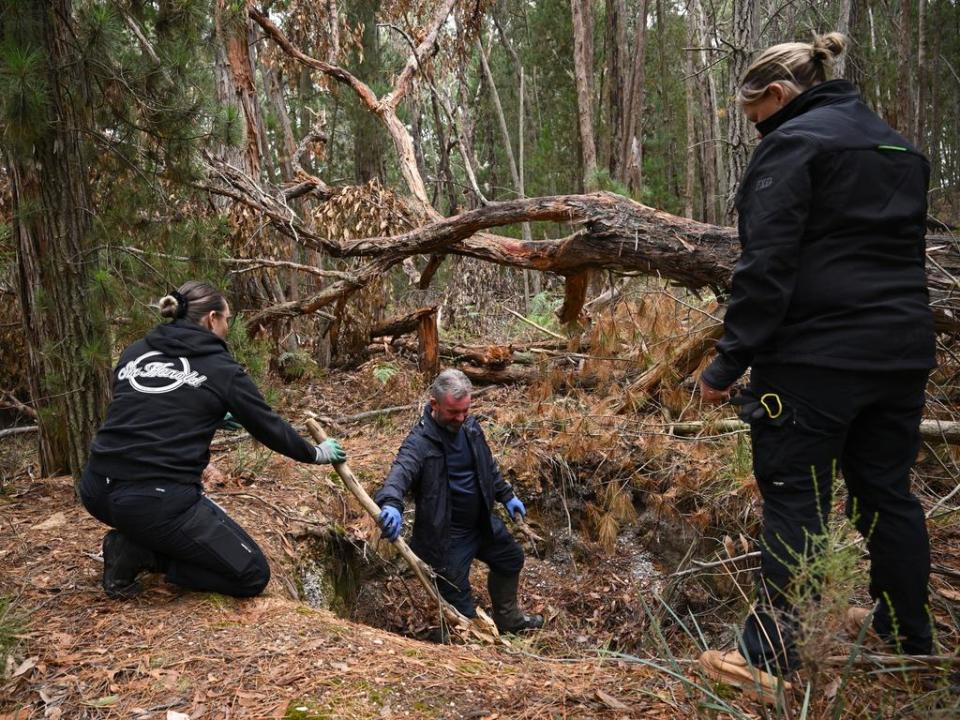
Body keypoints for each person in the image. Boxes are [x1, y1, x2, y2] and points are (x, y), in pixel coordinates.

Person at [697, 32, 935, 698]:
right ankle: (907, 636)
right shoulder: (900, 149)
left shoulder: (793, 146)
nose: (756, 128)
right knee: (887, 494)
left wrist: (727, 362)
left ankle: (768, 659)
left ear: (776, 94)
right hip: (902, 355)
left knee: (795, 498)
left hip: (813, 362)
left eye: (755, 114)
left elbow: (765, 267)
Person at [80, 281, 347, 599]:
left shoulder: (134, 352)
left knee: (148, 514)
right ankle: (141, 554)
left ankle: (138, 539)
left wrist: (210, 412)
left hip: (97, 489)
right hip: (156, 502)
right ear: (211, 319)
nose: (228, 327)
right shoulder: (222, 369)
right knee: (251, 574)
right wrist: (315, 453)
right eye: (227, 320)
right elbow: (268, 426)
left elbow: (142, 408)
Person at [373, 369, 543, 635]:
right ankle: (468, 645)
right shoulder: (419, 443)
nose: (461, 418)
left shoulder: (471, 429)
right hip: (446, 538)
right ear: (434, 405)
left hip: (481, 524)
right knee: (460, 611)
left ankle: (509, 621)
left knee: (511, 558)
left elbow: (488, 467)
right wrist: (391, 503)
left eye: (466, 410)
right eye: (454, 412)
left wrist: (507, 496)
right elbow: (400, 474)